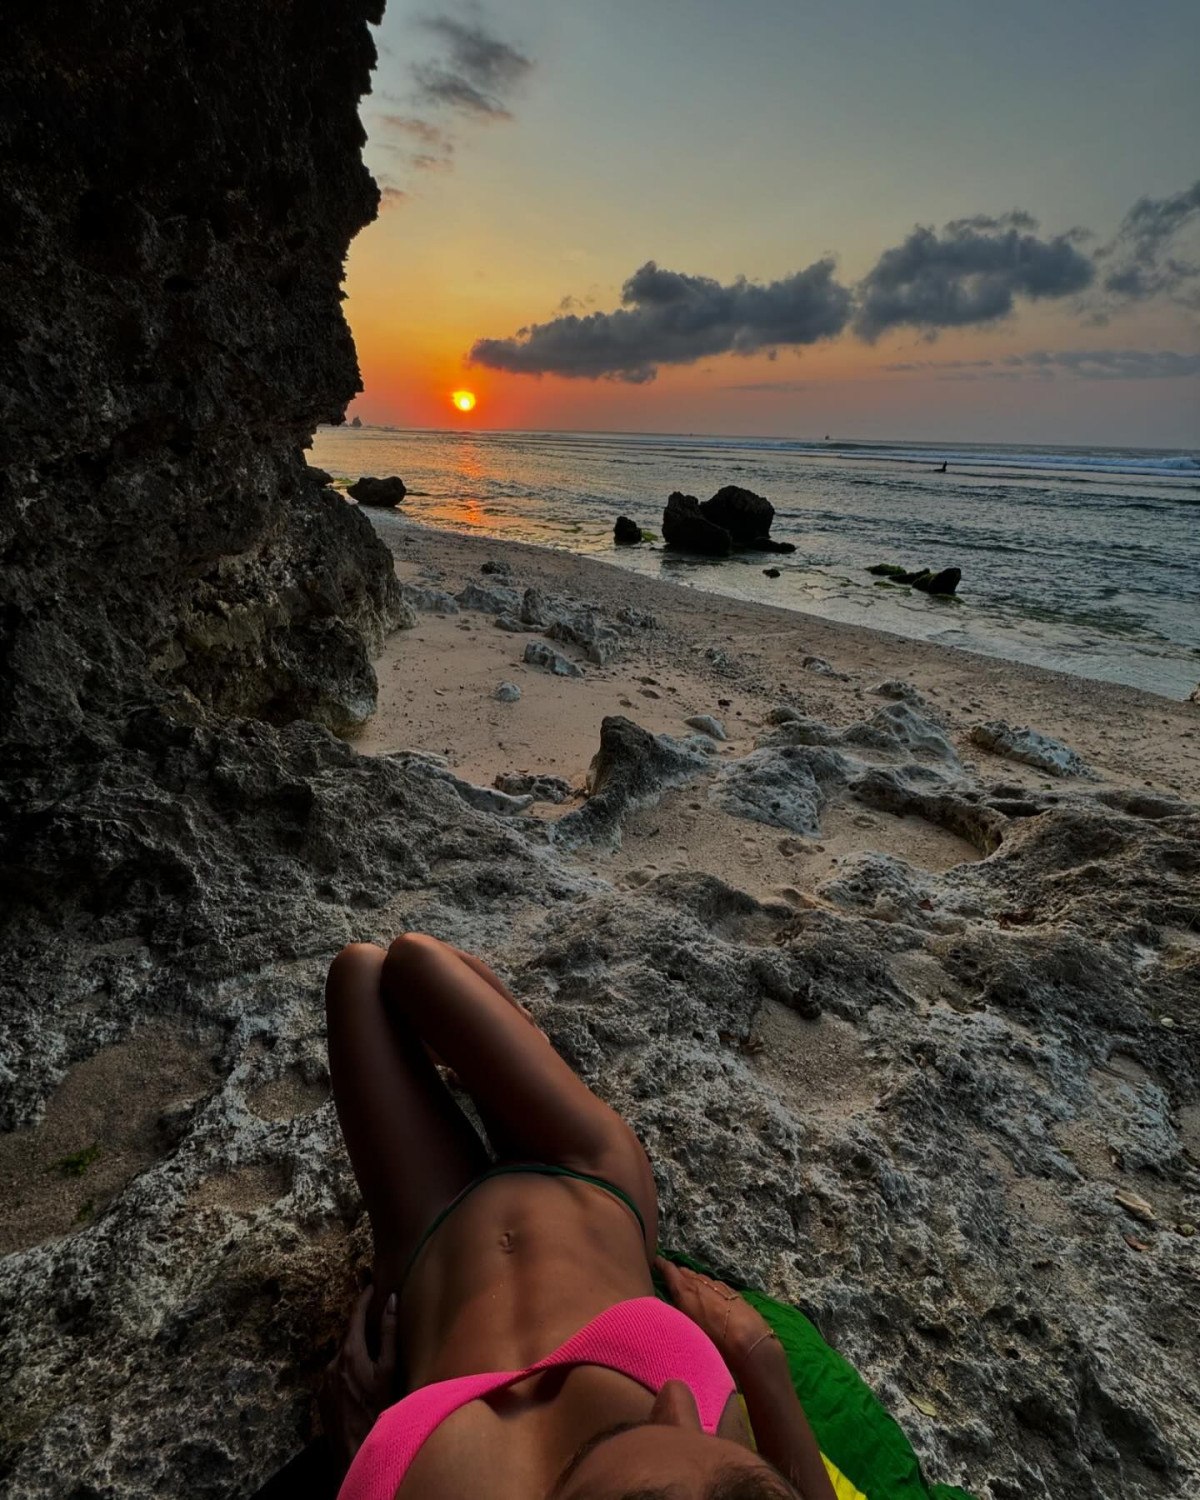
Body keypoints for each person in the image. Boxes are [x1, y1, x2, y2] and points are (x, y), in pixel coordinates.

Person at [321, 933, 837, 1500]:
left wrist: (355, 1458)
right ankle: (524, 1047)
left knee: (360, 974)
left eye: (636, 1431)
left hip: (430, 1236)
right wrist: (760, 1362)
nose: (678, 1401)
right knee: (413, 963)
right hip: (587, 1177)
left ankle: (510, 1057)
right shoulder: (687, 1420)